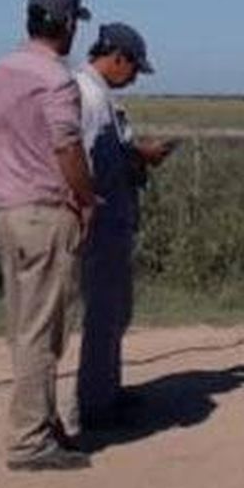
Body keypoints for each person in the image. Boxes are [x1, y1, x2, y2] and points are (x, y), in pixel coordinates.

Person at [0, 0, 97, 471]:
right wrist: (86, 196)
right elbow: (66, 145)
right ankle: (30, 439)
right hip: (46, 211)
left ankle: (42, 420)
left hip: (5, 212)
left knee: (23, 326)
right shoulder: (55, 80)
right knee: (44, 329)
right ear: (67, 24)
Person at [72, 23, 175, 434]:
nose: (134, 77)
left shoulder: (101, 96)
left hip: (115, 216)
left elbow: (110, 152)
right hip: (100, 218)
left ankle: (107, 390)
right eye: (133, 68)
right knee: (103, 311)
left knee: (116, 310)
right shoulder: (85, 95)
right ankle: (95, 405)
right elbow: (81, 158)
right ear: (117, 58)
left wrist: (138, 154)